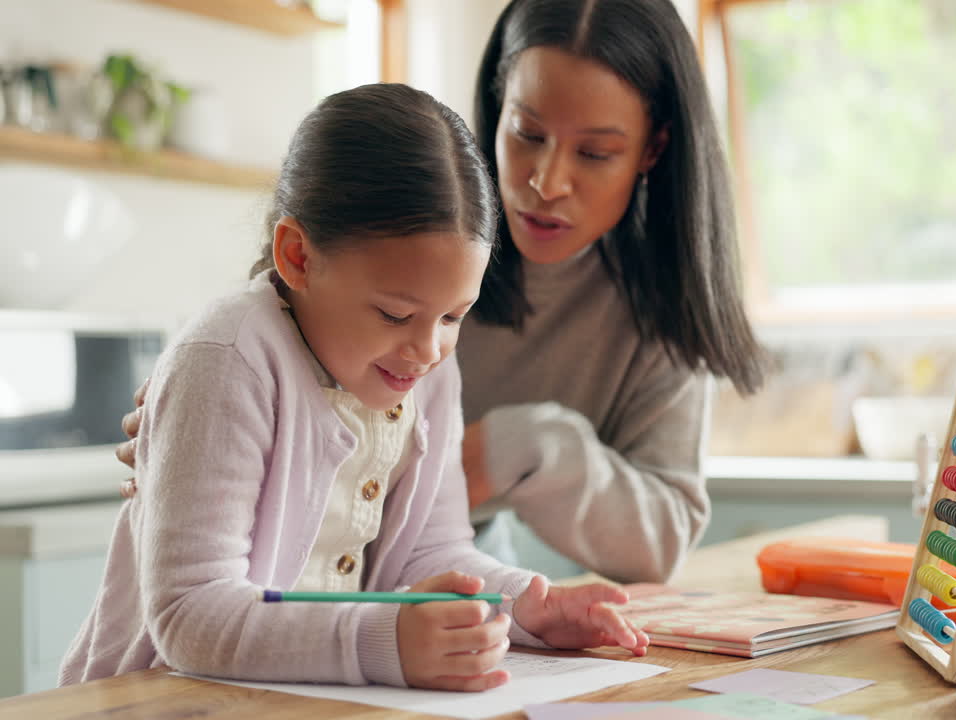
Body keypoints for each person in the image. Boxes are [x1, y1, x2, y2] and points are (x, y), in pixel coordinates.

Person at [116, 0, 768, 585]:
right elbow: (259, 375)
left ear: (652, 149)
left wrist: (524, 449)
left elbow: (658, 543)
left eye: (594, 153)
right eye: (527, 133)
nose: (545, 181)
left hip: (400, 599)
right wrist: (206, 425)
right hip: (295, 608)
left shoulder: (663, 303)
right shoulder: (417, 231)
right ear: (495, 102)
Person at [62, 83, 647, 693]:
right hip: (157, 699)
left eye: (453, 317)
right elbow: (189, 614)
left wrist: (526, 603)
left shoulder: (429, 371)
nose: (427, 350)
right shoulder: (228, 357)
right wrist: (380, 641)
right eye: (395, 315)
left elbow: (434, 554)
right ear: (298, 257)